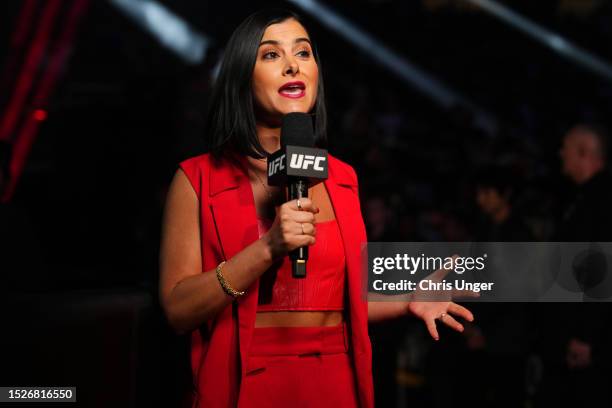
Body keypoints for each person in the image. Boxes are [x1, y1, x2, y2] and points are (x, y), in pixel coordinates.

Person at [159, 9, 474, 408]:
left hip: (333, 383)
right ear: (241, 75)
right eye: (271, 55)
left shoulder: (342, 178)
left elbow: (336, 298)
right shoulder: (196, 179)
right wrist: (267, 248)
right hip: (245, 385)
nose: (293, 65)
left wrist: (408, 296)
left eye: (303, 53)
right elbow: (177, 310)